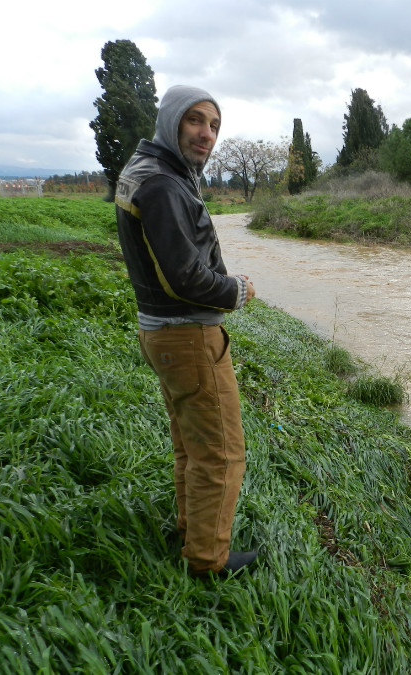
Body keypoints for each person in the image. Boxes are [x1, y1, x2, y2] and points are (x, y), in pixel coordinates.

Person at [115, 85, 257, 577]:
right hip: (188, 337)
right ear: (173, 121)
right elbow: (185, 278)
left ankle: (189, 530)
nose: (206, 134)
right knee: (221, 456)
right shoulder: (163, 184)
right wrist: (235, 289)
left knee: (191, 445)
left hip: (162, 335)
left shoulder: (151, 171)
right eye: (196, 121)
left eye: (215, 125)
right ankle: (207, 561)